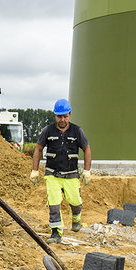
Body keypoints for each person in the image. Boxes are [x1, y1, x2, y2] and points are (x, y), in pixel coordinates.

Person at [28, 98, 92, 244]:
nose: (62, 119)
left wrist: (87, 171)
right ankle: (56, 232)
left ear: (70, 114)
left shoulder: (77, 131)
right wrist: (35, 170)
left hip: (71, 175)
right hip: (52, 174)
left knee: (75, 202)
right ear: (55, 115)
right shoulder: (48, 130)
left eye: (65, 116)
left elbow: (86, 149)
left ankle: (76, 218)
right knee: (54, 203)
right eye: (59, 116)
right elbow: (38, 149)